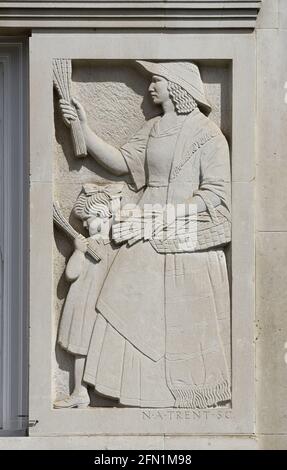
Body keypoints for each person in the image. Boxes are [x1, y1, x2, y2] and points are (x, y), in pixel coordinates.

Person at [59, 61, 231, 408]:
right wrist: (83, 127)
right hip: (142, 222)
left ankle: (186, 396)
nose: (150, 87)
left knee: (180, 316)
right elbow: (122, 162)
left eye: (156, 80)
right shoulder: (153, 128)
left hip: (183, 233)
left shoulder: (206, 133)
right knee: (117, 299)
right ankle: (120, 392)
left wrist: (166, 216)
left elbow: (217, 194)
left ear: (176, 85)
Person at [54, 183, 122, 408]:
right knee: (81, 348)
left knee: (104, 349)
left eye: (88, 218)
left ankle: (111, 392)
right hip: (83, 304)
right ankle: (79, 392)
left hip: (107, 306)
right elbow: (71, 274)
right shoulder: (85, 245)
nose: (83, 223)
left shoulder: (117, 247)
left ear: (104, 216)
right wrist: (79, 252)